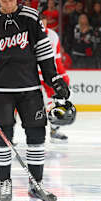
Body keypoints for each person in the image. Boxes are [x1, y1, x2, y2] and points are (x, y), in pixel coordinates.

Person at [0, 0, 70, 201]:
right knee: (2, 137)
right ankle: (4, 181)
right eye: (4, 1)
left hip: (30, 90)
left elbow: (44, 53)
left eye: (11, 0)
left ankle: (36, 186)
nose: (8, 5)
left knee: (37, 136)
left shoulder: (31, 17)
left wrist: (55, 79)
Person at [39, 14, 70, 143]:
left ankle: (54, 130)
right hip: (31, 75)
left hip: (48, 74)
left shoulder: (53, 36)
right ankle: (9, 133)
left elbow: (57, 59)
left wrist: (63, 75)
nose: (42, 25)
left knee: (55, 102)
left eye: (44, 23)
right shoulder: (28, 34)